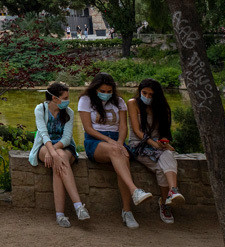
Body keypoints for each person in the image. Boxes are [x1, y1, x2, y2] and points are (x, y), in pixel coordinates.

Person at [77, 73, 153, 228]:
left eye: (109, 91)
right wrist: (111, 141)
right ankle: (134, 190)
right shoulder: (86, 100)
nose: (106, 94)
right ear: (95, 89)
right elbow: (88, 128)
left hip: (116, 141)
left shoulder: (119, 102)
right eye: (102, 91)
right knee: (116, 151)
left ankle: (127, 211)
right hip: (95, 141)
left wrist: (119, 142)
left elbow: (123, 127)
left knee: (123, 158)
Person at [29, 82, 88, 227]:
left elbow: (67, 138)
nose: (68, 101)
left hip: (64, 146)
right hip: (44, 145)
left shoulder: (69, 112)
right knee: (59, 157)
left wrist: (54, 152)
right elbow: (43, 134)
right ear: (55, 98)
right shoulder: (40, 109)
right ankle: (78, 206)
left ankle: (60, 215)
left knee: (59, 158)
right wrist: (51, 152)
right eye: (65, 98)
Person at [127, 79, 185, 224]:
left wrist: (164, 143)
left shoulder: (162, 108)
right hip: (139, 145)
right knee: (163, 165)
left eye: (151, 94)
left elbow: (164, 133)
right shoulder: (133, 103)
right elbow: (137, 131)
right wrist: (153, 144)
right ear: (139, 91)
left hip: (158, 146)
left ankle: (172, 192)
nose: (147, 97)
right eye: (144, 93)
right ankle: (166, 201)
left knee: (167, 156)